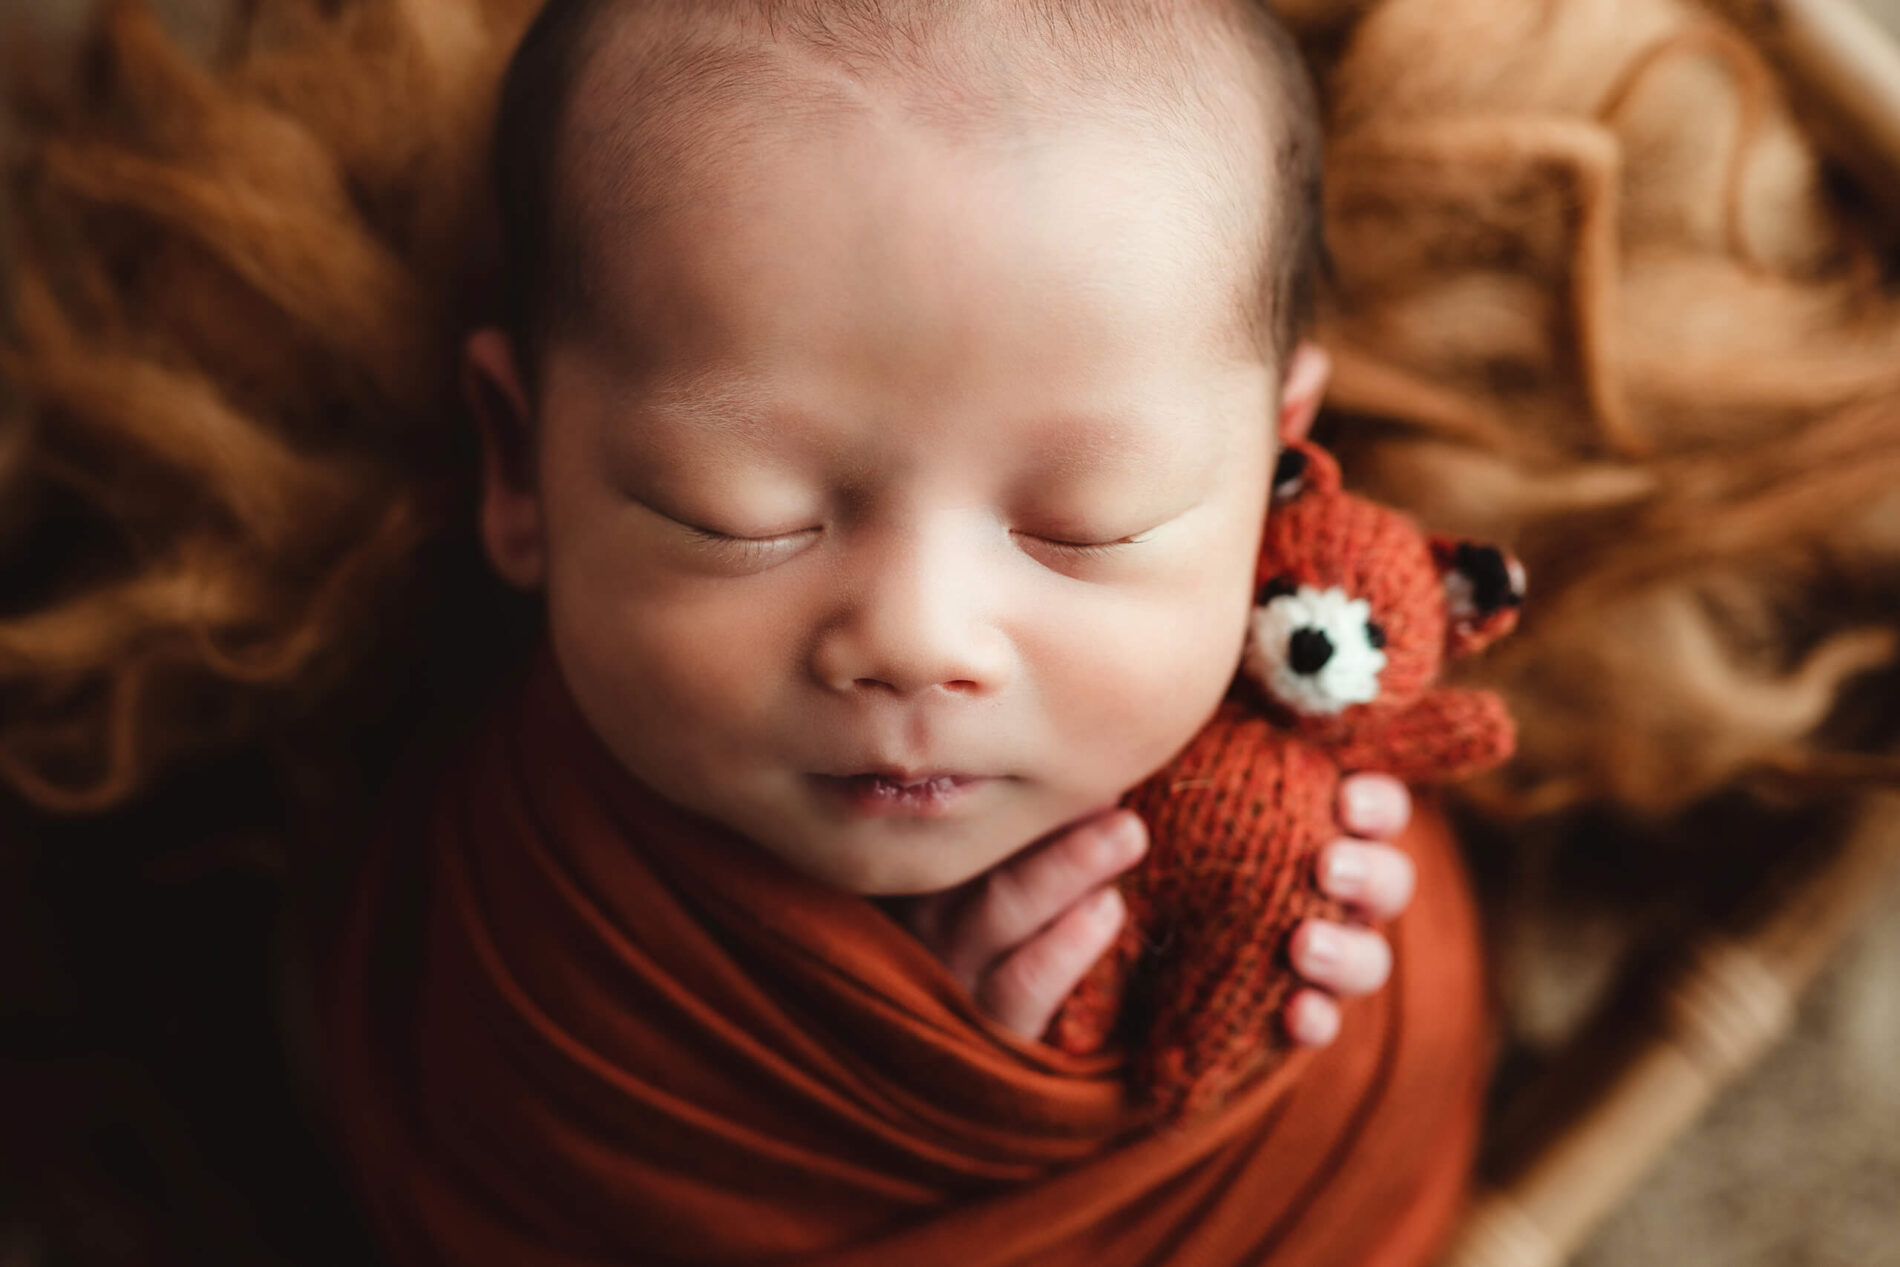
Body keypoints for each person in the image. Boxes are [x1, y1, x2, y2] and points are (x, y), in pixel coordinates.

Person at [317, 2, 1490, 1263]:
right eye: (739, 518)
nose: (918, 639)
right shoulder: (533, 928)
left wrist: (1298, 971)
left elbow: (1392, 1116)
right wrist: (936, 1072)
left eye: (1086, 527)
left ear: (1276, 467)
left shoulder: (1322, 798)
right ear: (519, 464)